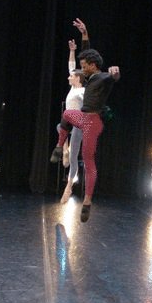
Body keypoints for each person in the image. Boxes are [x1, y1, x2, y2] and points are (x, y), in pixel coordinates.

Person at [50, 49, 120, 222]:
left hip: (92, 123)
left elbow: (113, 77)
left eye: (84, 66)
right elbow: (75, 65)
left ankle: (87, 202)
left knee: (88, 160)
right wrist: (82, 38)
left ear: (92, 65)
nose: (81, 70)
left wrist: (115, 73)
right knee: (67, 114)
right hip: (82, 117)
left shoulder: (102, 77)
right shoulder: (89, 78)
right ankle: (59, 147)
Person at [59, 39, 87, 204]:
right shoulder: (73, 87)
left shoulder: (82, 91)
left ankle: (68, 186)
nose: (69, 77)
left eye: (71, 76)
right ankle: (65, 150)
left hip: (78, 124)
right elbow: (71, 66)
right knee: (59, 126)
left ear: (77, 78)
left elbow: (89, 103)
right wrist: (72, 51)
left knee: (74, 158)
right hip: (69, 120)